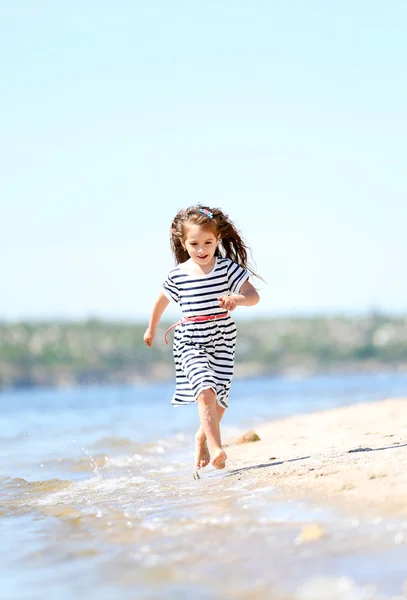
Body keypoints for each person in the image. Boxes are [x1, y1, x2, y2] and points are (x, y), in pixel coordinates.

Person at [143, 205, 260, 471]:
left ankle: (202, 437)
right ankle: (218, 447)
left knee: (220, 397)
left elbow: (254, 296)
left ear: (217, 240)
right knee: (204, 389)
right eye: (194, 244)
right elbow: (161, 302)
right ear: (184, 244)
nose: (202, 249)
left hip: (222, 337)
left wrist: (236, 299)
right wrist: (151, 328)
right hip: (190, 340)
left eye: (208, 242)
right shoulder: (178, 275)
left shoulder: (227, 268)